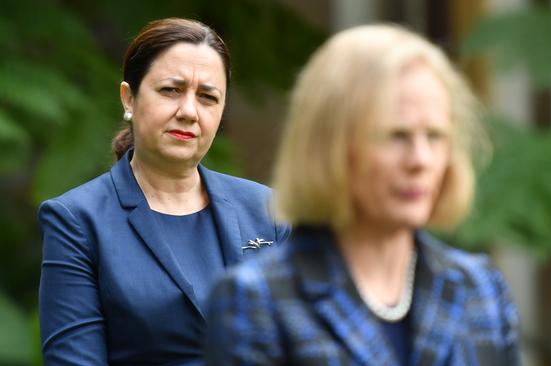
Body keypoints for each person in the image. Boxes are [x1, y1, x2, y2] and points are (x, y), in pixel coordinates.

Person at [206, 24, 520, 365]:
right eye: (396, 135)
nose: (421, 160)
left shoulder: (481, 289)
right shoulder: (257, 300)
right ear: (332, 145)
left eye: (435, 136)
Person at [38, 18, 289, 365]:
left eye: (207, 97)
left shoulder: (267, 210)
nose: (189, 112)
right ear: (129, 98)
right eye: (171, 90)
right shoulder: (77, 221)